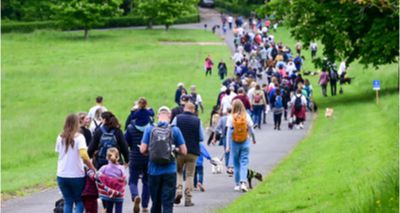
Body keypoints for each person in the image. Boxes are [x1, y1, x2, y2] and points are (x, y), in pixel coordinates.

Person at [140, 106, 187, 213]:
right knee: (168, 202)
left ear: (158, 116)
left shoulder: (150, 129)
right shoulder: (175, 129)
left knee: (155, 202)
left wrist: (151, 151)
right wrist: (174, 149)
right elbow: (184, 151)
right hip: (170, 170)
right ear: (170, 116)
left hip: (153, 171)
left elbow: (142, 150)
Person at [55, 113, 96, 213]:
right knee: (79, 201)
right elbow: (84, 155)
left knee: (68, 201)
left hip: (62, 174)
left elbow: (59, 152)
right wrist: (92, 168)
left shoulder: (60, 137)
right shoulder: (79, 138)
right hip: (77, 174)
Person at [172, 103, 205, 207]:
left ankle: (178, 192)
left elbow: (171, 133)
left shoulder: (177, 118)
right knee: (190, 175)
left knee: (179, 172)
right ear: (194, 110)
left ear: (184, 109)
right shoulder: (197, 120)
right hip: (193, 152)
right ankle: (188, 199)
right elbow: (202, 137)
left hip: (179, 151)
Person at [226, 100, 256, 192]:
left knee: (236, 163)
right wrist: (254, 139)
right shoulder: (246, 116)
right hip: (245, 141)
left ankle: (237, 184)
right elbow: (251, 129)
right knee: (244, 162)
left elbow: (228, 133)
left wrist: (228, 145)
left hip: (235, 142)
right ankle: (243, 182)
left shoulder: (231, 117)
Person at [125, 115, 150, 213]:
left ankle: (135, 196)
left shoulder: (130, 128)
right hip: (147, 157)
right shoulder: (150, 127)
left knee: (132, 181)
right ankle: (144, 206)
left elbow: (125, 143)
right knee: (146, 181)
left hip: (135, 157)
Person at [97, 148, 127, 213]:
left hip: (108, 194)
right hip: (119, 194)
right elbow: (124, 179)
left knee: (109, 210)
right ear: (118, 157)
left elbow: (97, 176)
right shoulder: (121, 168)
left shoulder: (104, 168)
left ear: (107, 157)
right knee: (119, 210)